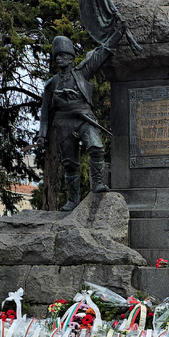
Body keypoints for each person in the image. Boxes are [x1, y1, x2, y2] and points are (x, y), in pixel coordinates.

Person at [37, 36, 114, 212]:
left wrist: (117, 34)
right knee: (70, 162)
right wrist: (42, 135)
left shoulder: (81, 73)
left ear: (71, 58)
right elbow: (45, 113)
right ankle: (73, 200)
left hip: (84, 118)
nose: (59, 59)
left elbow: (100, 55)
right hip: (63, 122)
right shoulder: (51, 84)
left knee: (96, 147)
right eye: (57, 56)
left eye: (63, 55)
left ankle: (97, 184)